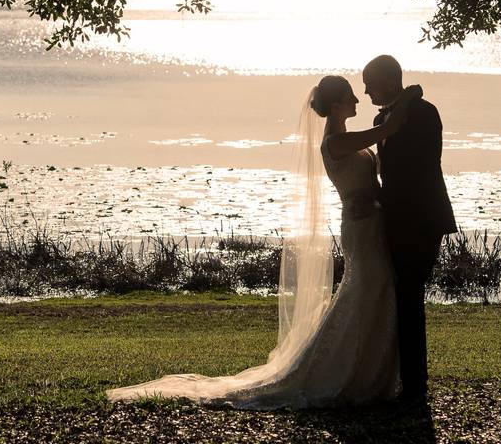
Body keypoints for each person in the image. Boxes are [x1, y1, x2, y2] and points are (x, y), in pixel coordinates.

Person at [106, 75, 422, 409]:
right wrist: (408, 96)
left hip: (371, 224)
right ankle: (337, 370)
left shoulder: (349, 139)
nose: (358, 100)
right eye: (350, 97)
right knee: (364, 288)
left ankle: (369, 371)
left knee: (374, 289)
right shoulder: (334, 142)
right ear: (335, 106)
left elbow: (376, 167)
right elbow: (388, 130)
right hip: (359, 228)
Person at [364, 55, 457, 402]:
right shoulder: (380, 119)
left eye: (369, 83)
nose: (366, 91)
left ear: (389, 81)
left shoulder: (423, 112)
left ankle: (416, 385)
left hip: (422, 218)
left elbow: (421, 166)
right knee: (402, 297)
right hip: (394, 220)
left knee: (410, 297)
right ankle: (406, 380)